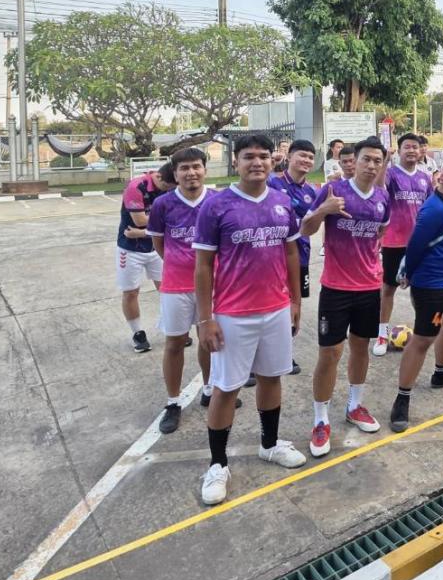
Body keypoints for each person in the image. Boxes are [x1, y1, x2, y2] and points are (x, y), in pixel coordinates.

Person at [193, 133, 306, 506]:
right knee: (226, 388)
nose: (257, 162)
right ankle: (217, 465)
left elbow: (291, 253)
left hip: (275, 309)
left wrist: (294, 301)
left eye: (263, 156)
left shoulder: (282, 201)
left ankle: (269, 444)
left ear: (273, 161)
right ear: (235, 162)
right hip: (232, 314)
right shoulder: (216, 206)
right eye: (248, 156)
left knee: (272, 378)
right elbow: (203, 265)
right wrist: (205, 318)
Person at [302, 136, 391, 456]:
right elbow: (305, 228)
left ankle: (355, 406)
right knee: (329, 354)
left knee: (361, 348)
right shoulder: (333, 191)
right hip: (336, 289)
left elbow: (380, 231)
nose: (371, 165)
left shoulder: (382, 197)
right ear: (354, 160)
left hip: (368, 288)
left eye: (377, 160)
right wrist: (323, 210)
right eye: (366, 159)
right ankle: (320, 420)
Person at [390, 157, 443, 432]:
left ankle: (441, 372)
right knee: (423, 339)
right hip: (432, 286)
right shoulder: (434, 209)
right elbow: (415, 246)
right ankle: (402, 398)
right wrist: (408, 274)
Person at [147, 148, 215, 433]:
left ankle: (210, 390)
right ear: (174, 174)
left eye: (196, 166)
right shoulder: (162, 204)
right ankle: (173, 402)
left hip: (212, 285)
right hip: (176, 285)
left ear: (205, 170)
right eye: (184, 168)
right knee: (174, 343)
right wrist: (177, 264)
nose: (191, 173)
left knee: (209, 340)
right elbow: (159, 243)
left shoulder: (217, 201)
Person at [375, 133, 433, 356]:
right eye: (407, 147)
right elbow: (379, 189)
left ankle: (422, 331)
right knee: (388, 288)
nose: (411, 150)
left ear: (421, 151)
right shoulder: (390, 173)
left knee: (420, 289)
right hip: (393, 242)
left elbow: (430, 208)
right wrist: (384, 162)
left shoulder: (425, 177)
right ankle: (381, 334)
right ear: (399, 151)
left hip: (419, 243)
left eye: (415, 147)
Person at [267, 139, 318, 374]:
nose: (306, 160)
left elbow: (313, 224)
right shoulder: (272, 183)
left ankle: (285, 353)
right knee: (269, 303)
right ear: (289, 157)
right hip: (273, 256)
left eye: (310, 157)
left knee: (294, 303)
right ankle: (255, 360)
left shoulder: (312, 191)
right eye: (302, 155)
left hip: (301, 255)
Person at [116, 161, 174, 353]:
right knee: (131, 292)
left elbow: (176, 220)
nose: (170, 191)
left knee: (167, 290)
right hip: (130, 249)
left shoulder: (173, 186)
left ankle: (173, 329)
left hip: (157, 247)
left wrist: (143, 232)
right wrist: (166, 218)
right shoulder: (136, 187)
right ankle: (137, 333)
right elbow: (139, 220)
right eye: (167, 187)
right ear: (159, 177)